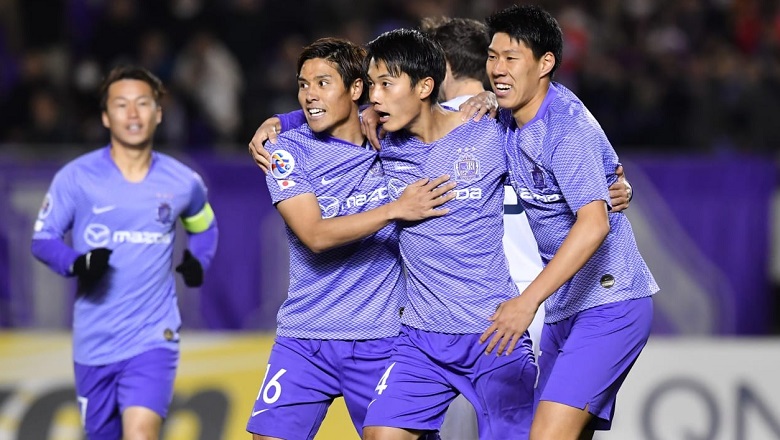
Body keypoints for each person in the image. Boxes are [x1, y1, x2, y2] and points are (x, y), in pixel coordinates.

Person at [244, 37, 455, 440]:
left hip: (385, 338)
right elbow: (315, 235)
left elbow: (439, 115)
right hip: (307, 336)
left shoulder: (393, 137)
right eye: (303, 85)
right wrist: (394, 209)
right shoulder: (285, 152)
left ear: (356, 89)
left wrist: (485, 103)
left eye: (323, 83)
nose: (309, 95)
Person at [478, 5, 659, 440]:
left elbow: (594, 225)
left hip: (611, 302)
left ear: (545, 64)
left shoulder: (564, 127)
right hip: (568, 308)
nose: (497, 70)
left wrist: (527, 302)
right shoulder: (505, 117)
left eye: (511, 58)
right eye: (492, 56)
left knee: (545, 435)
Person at [359, 28, 538, 440]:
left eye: (386, 84)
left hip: (493, 333)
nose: (375, 97)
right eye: (371, 86)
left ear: (425, 86)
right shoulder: (383, 144)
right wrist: (277, 121)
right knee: (381, 434)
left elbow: (549, 128)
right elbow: (322, 108)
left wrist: (615, 183)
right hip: (421, 340)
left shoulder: (488, 130)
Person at [30, 65, 219, 440]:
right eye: (121, 105)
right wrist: (76, 263)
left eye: (143, 103)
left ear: (159, 113)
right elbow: (43, 239)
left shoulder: (184, 182)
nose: (133, 114)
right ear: (105, 116)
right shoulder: (76, 177)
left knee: (141, 435)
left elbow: (205, 226)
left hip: (154, 337)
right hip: (94, 341)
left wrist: (199, 260)